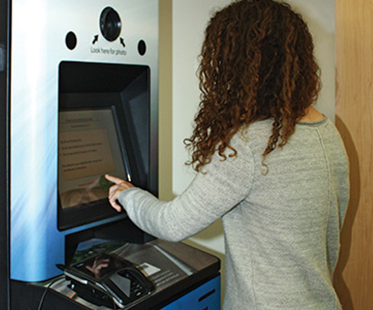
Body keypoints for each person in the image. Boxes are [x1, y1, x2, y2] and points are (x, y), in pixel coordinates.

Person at [105, 0, 349, 309]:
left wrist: (127, 194)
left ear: (239, 65)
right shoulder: (328, 132)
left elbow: (171, 224)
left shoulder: (250, 145)